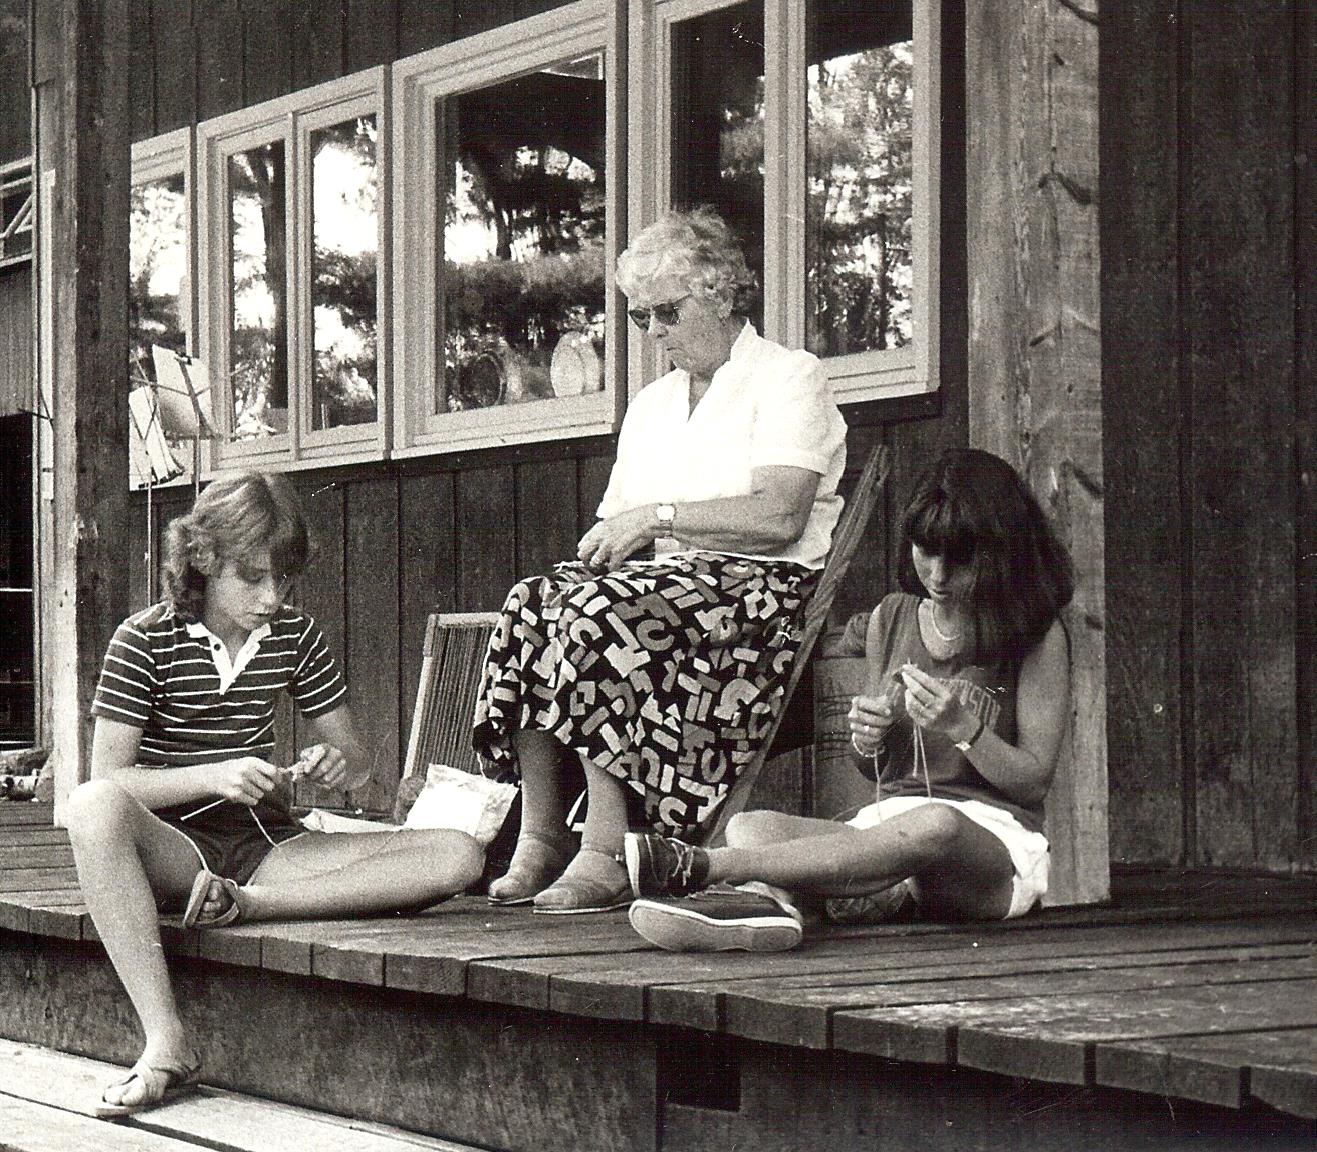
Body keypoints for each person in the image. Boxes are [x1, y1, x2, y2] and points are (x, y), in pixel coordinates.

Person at [65, 472, 484, 1118]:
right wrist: (215, 774)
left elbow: (358, 758)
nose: (272, 597)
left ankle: (251, 906)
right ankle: (166, 1040)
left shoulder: (294, 635)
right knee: (93, 810)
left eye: (284, 580)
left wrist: (334, 763)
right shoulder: (143, 639)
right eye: (253, 577)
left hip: (264, 849)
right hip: (171, 847)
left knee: (460, 854)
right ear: (202, 561)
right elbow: (105, 779)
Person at [473, 206, 847, 914]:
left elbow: (779, 514)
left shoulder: (789, 377)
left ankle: (609, 848)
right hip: (664, 591)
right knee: (532, 601)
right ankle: (543, 833)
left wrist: (660, 518)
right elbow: (621, 524)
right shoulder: (652, 404)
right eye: (640, 318)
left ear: (723, 294)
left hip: (758, 596)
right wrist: (611, 543)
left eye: (665, 313)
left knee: (593, 612)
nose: (654, 334)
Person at [624, 447, 1074, 952]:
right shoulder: (893, 617)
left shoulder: (1036, 632)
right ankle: (774, 912)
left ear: (999, 550)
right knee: (753, 825)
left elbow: (1033, 781)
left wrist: (963, 728)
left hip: (987, 846)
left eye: (959, 557)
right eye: (927, 551)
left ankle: (714, 871)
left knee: (936, 822)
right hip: (886, 831)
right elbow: (873, 770)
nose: (939, 575)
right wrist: (869, 739)